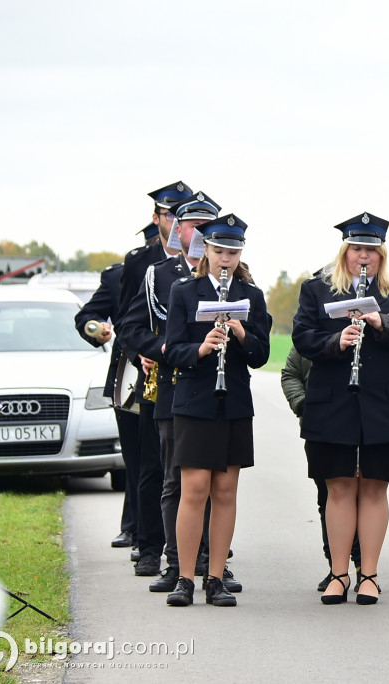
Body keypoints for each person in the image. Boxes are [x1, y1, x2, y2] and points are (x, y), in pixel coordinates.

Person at [292, 212, 389, 606]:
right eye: (357, 249)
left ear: (382, 254)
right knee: (337, 486)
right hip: (332, 403)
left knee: (373, 487)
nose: (363, 256)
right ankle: (338, 574)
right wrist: (337, 342)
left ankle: (368, 574)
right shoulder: (317, 289)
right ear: (344, 252)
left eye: (371, 249)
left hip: (381, 405)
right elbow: (303, 338)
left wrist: (384, 323)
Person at [118, 192, 242, 594]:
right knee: (176, 480)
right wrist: (158, 351)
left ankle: (212, 564)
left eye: (206, 224)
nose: (196, 231)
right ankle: (176, 563)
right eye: (190, 223)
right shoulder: (160, 273)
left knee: (216, 483)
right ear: (179, 229)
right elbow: (131, 328)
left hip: (219, 392)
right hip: (174, 388)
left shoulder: (238, 274)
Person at [163, 214, 272, 607]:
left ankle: (215, 577)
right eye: (219, 251)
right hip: (194, 401)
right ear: (204, 251)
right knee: (194, 489)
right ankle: (185, 578)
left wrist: (241, 333)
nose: (225, 259)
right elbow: (171, 349)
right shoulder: (184, 292)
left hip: (234, 402)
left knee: (225, 490)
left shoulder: (251, 296)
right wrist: (202, 349)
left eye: (232, 253)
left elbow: (261, 354)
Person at [123, 181, 194, 577]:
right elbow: (127, 321)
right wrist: (144, 353)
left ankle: (204, 554)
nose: (186, 227)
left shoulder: (223, 263)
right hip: (157, 378)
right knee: (156, 468)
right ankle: (150, 546)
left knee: (202, 475)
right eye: (173, 216)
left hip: (199, 383)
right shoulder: (142, 264)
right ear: (162, 219)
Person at [279, 346, 363, 592]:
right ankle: (336, 568)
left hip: (359, 422)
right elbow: (290, 374)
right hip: (320, 427)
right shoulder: (309, 339)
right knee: (328, 498)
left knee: (363, 496)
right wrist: (304, 404)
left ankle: (362, 566)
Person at [74, 257, 135, 550]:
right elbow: (88, 316)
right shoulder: (119, 276)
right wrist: (96, 328)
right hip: (130, 378)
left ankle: (201, 537)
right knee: (136, 459)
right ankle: (134, 527)